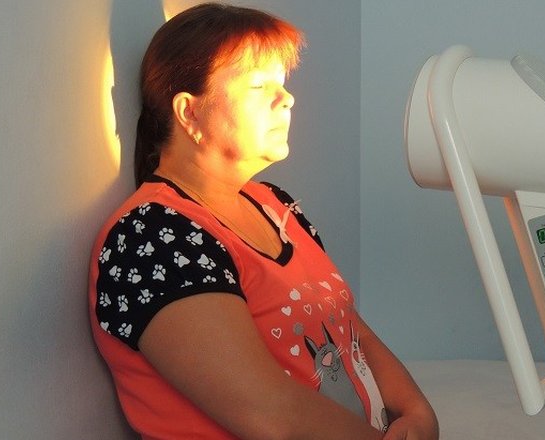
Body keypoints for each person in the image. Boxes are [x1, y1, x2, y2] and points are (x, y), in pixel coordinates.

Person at [88, 3, 438, 439]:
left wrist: (417, 414)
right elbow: (272, 416)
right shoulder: (153, 238)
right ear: (189, 113)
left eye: (283, 84)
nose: (287, 98)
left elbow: (351, 332)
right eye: (259, 85)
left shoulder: (275, 205)